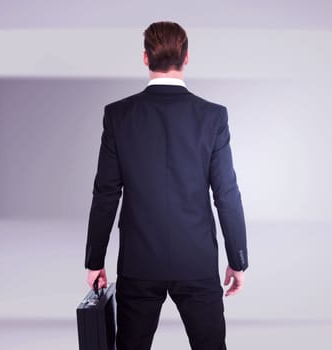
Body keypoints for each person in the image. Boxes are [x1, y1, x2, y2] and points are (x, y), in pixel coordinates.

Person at [83, 21, 248, 350]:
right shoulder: (212, 117)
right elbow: (226, 194)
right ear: (187, 58)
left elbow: (106, 193)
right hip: (197, 259)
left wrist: (94, 260)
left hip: (139, 261)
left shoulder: (118, 115)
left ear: (145, 58)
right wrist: (237, 259)